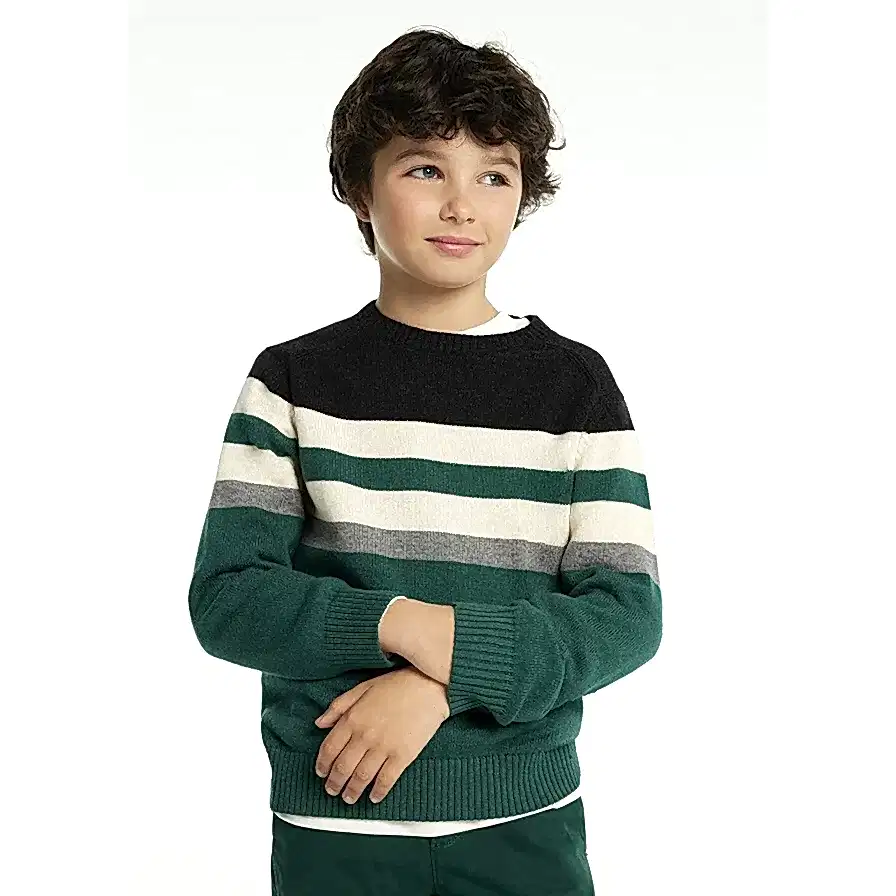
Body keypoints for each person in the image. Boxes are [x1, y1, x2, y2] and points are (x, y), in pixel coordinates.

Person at [188, 26, 662, 896]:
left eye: (494, 175)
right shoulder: (293, 380)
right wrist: (398, 623)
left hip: (524, 821)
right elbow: (229, 599)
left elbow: (626, 614)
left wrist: (443, 681)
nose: (462, 206)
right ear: (358, 189)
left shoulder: (575, 387)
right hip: (337, 825)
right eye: (424, 169)